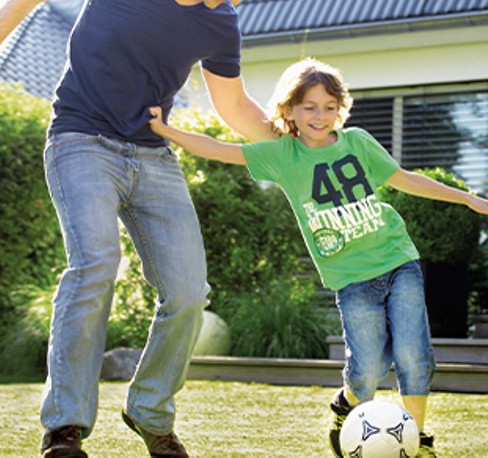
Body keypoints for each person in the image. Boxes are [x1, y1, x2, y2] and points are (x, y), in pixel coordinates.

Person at [0, 0, 287, 456]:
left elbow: (233, 105)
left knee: (188, 292)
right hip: (80, 139)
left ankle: (149, 411)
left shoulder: (220, 23)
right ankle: (65, 427)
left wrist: (298, 141)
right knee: (96, 262)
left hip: (153, 157)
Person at [148, 57, 488, 458]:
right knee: (367, 372)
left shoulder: (358, 142)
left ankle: (418, 435)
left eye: (329, 106)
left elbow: (403, 179)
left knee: (414, 354)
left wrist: (467, 198)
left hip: (397, 260)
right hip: (350, 277)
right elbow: (222, 150)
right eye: (309, 106)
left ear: (340, 109)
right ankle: (349, 404)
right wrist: (164, 130)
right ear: (289, 109)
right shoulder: (283, 156)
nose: (320, 115)